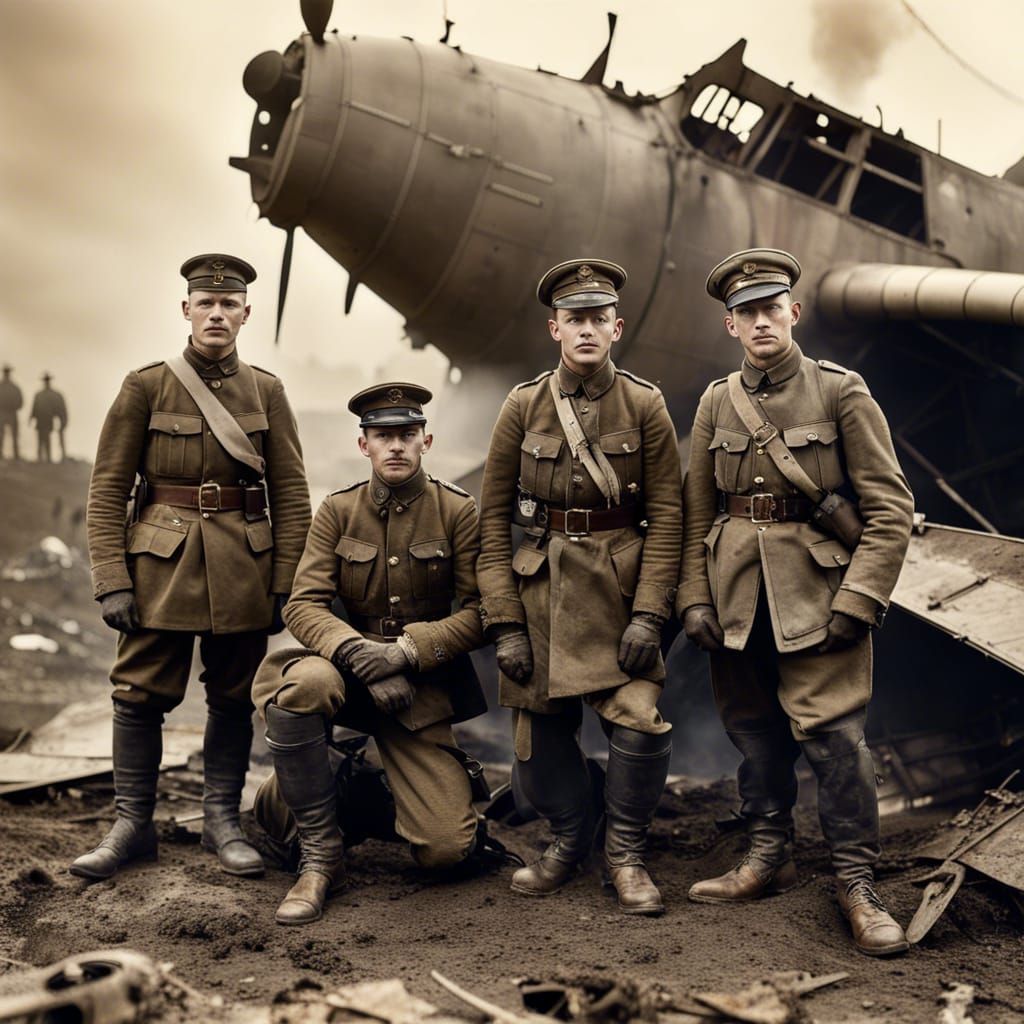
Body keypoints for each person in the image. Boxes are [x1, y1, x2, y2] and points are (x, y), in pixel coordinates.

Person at [678, 248, 915, 955]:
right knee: (754, 733)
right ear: (730, 326)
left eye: (770, 307)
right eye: (746, 312)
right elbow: (696, 514)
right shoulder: (717, 401)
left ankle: (857, 885)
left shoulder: (842, 392)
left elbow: (892, 509)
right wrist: (695, 599)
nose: (760, 322)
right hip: (736, 601)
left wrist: (861, 596)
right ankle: (766, 854)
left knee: (837, 743)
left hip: (820, 597)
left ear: (794, 312)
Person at [71, 254, 311, 882]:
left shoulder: (267, 391)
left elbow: (292, 495)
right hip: (158, 567)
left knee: (233, 696)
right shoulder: (146, 385)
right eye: (205, 303)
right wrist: (112, 579)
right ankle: (132, 823)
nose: (216, 313)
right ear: (186, 310)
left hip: (244, 566)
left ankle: (221, 821)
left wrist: (286, 583)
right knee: (139, 692)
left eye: (228, 305)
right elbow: (107, 491)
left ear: (245, 314)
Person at [476, 259, 682, 916]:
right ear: (555, 328)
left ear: (616, 327)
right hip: (539, 597)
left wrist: (650, 615)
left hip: (618, 593)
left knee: (642, 726)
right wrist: (505, 622)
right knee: (536, 754)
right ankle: (569, 837)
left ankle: (623, 853)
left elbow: (670, 517)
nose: (587, 330)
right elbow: (490, 522)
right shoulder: (523, 405)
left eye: (598, 319)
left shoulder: (645, 405)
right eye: (575, 320)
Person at [252, 382, 492, 926]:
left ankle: (355, 784)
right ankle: (319, 857)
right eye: (383, 436)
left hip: (419, 684)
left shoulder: (457, 511)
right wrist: (362, 656)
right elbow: (303, 604)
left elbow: (483, 612)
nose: (396, 446)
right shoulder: (337, 511)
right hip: (343, 669)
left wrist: (406, 653)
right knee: (303, 687)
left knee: (446, 849)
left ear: (426, 440)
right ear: (364, 445)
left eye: (407, 434)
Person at [29, 372, 67, 463]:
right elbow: (34, 408)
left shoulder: (54, 395)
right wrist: (31, 418)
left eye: (47, 380)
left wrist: (62, 421)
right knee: (40, 440)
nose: (46, 382)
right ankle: (40, 458)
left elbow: (60, 409)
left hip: (48, 420)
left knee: (46, 439)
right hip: (41, 420)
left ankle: (48, 458)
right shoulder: (39, 395)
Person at [0, 365, 22, 460]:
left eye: (7, 372)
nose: (6, 374)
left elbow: (20, 401)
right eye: (5, 372)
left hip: (12, 413)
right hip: (2, 413)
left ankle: (16, 455)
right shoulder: (2, 387)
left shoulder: (15, 387)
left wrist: (14, 407)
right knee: (1, 435)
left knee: (15, 435)